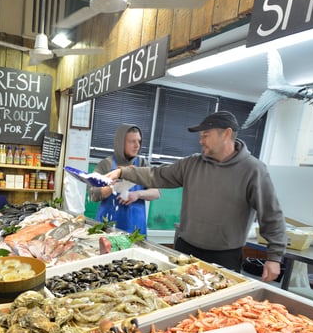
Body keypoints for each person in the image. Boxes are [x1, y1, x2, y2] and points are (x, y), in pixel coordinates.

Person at [105, 111, 286, 282]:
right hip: (185, 250)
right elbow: (156, 174)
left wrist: (274, 257)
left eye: (206, 135)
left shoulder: (253, 170)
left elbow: (271, 214)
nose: (200, 140)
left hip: (225, 256)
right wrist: (122, 172)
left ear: (226, 134)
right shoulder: (192, 163)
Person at [88, 124, 160, 235]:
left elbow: (156, 193)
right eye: (132, 141)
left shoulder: (142, 164)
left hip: (135, 226)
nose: (137, 146)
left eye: (139, 141)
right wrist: (114, 185)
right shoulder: (105, 164)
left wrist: (137, 194)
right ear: (121, 143)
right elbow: (93, 194)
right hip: (108, 225)